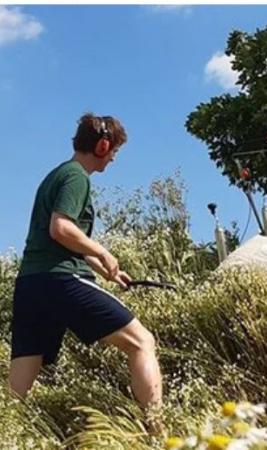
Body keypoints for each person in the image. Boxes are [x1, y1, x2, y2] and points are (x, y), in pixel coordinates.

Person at [9, 113, 163, 417]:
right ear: (103, 146)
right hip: (59, 280)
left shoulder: (58, 174)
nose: (114, 159)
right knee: (142, 342)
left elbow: (61, 240)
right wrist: (103, 252)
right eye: (115, 151)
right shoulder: (76, 176)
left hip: (31, 285)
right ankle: (158, 434)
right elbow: (61, 228)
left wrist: (109, 270)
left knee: (19, 387)